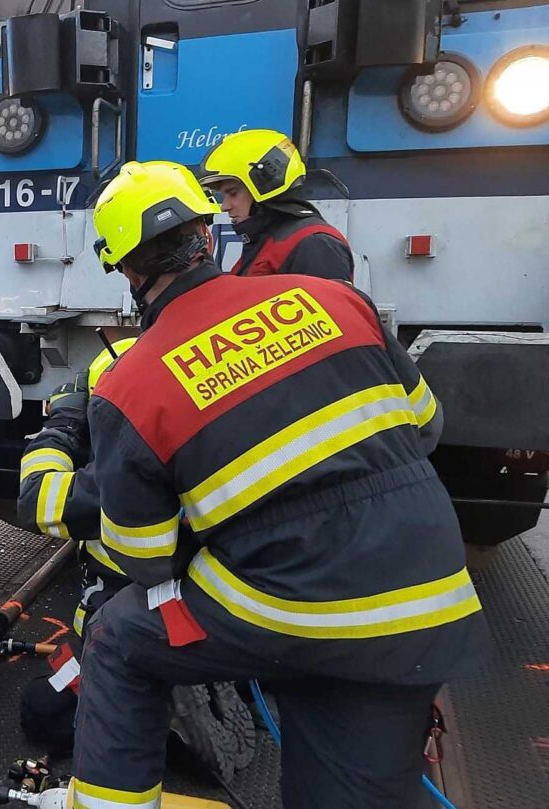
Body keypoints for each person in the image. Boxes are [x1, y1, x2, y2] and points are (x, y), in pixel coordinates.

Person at [25, 161, 487, 809]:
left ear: (127, 270)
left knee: (121, 636)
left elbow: (147, 558)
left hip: (286, 609)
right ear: (209, 238)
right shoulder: (338, 302)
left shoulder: (132, 385)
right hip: (426, 601)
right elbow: (426, 425)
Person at [198, 129, 353, 282]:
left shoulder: (315, 245)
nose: (224, 206)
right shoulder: (265, 242)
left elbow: (330, 306)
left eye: (232, 193)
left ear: (263, 185)